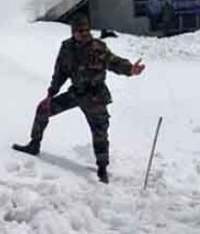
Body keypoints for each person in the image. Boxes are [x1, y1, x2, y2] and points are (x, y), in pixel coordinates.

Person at [12, 13, 145, 183]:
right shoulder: (67, 48)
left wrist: (130, 69)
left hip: (95, 96)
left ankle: (102, 168)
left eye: (86, 30)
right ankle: (34, 145)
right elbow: (60, 73)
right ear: (73, 32)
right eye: (80, 31)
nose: (85, 34)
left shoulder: (98, 47)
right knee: (43, 109)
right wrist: (50, 95)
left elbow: (114, 62)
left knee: (100, 133)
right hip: (76, 92)